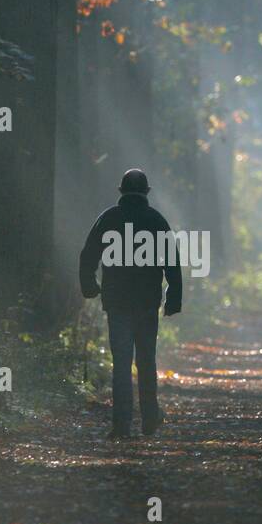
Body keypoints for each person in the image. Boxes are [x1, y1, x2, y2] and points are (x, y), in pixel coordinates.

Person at [79, 168, 182, 439]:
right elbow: (172, 263)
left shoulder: (109, 218)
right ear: (146, 192)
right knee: (146, 361)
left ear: (121, 191)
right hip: (147, 303)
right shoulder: (156, 220)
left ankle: (121, 425)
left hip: (117, 303)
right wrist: (173, 299)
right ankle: (149, 419)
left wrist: (89, 286)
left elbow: (88, 255)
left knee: (122, 363)